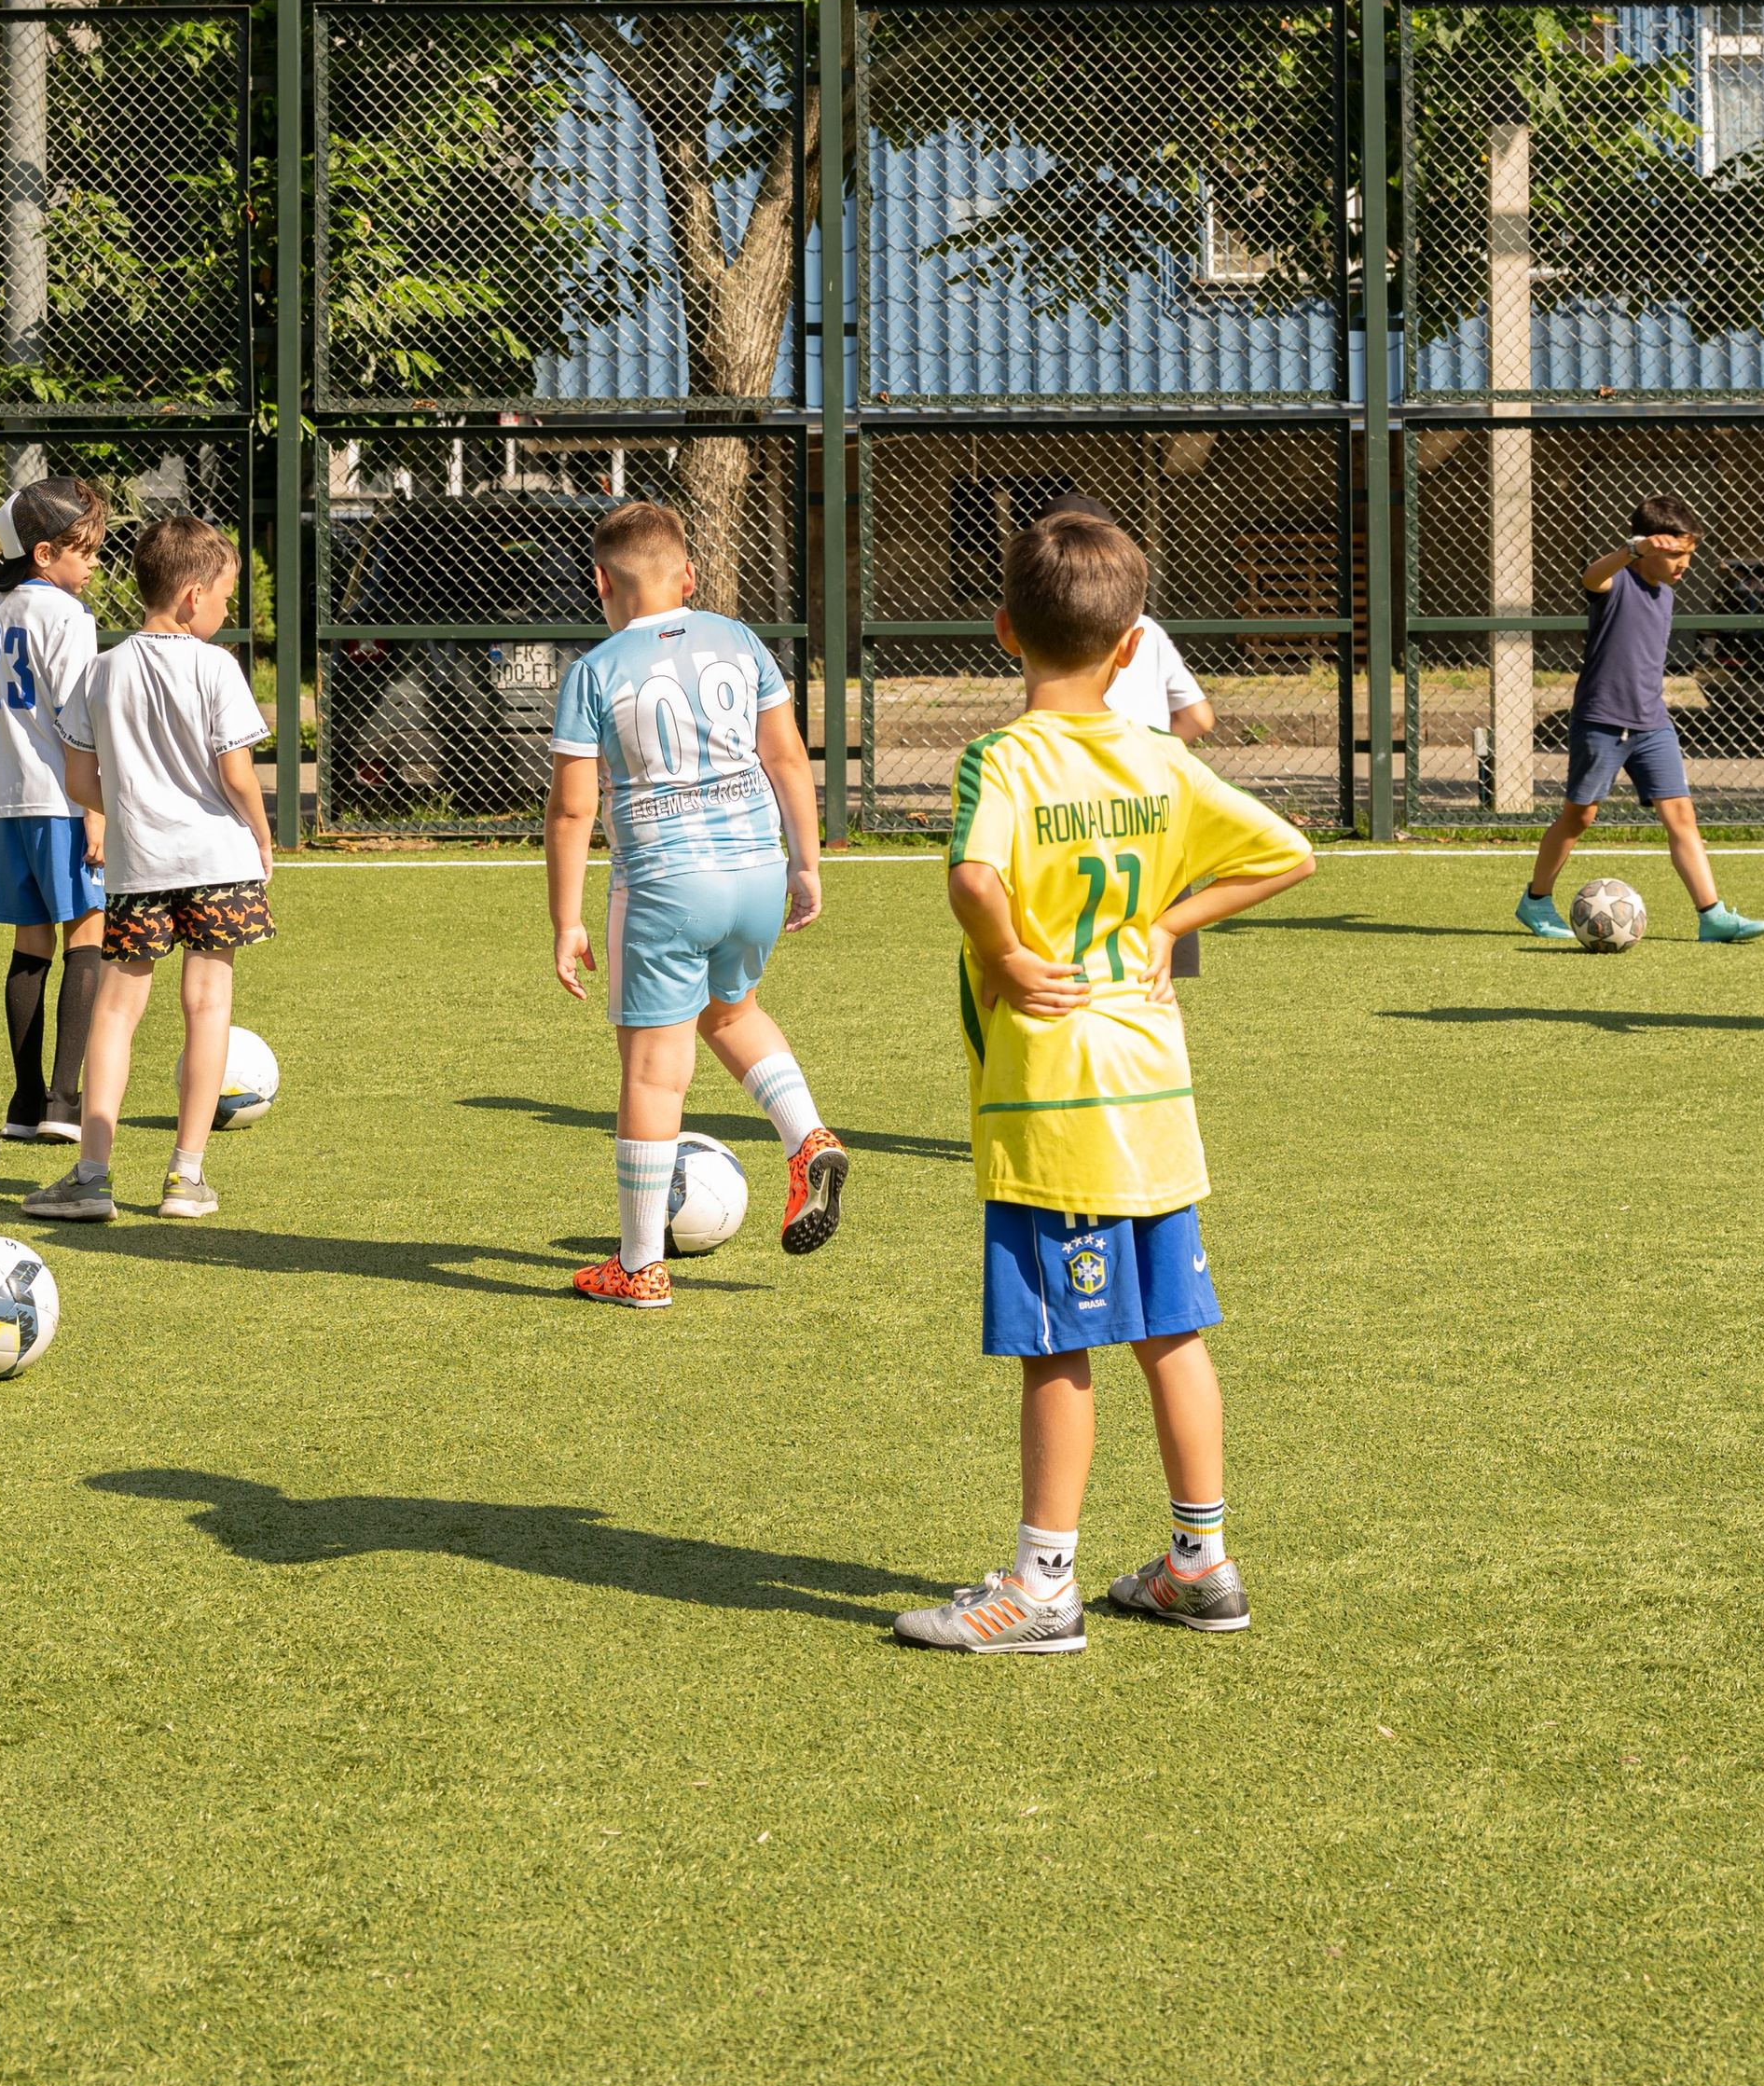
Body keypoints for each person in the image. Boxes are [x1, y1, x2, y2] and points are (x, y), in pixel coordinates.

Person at [894, 506, 1314, 1657]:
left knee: (1055, 1345)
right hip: (1152, 1091)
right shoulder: (1160, 757)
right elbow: (1289, 852)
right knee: (1173, 1331)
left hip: (1053, 1101)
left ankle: (1042, 1589)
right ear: (1132, 646)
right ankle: (1199, 1563)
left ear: (1003, 631)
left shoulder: (1003, 758)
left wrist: (1002, 953)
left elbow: (973, 876)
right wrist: (1169, 922)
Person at [546, 499, 845, 1312]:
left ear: (600, 582)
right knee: (731, 1010)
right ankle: (807, 1136)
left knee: (653, 1071)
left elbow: (572, 810)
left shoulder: (594, 671)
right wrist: (806, 862)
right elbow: (787, 756)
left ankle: (640, 1265)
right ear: (689, 577)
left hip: (666, 884)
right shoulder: (741, 639)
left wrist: (567, 920)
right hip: (755, 869)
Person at [22, 513, 275, 1226]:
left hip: (140, 868)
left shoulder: (102, 670)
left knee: (116, 1010)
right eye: (225, 596)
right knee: (208, 1006)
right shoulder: (217, 667)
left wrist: (132, 808)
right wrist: (262, 836)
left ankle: (92, 1177)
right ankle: (185, 1178)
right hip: (220, 861)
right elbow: (237, 774)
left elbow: (79, 780)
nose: (225, 610)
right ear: (194, 596)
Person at [1515, 495, 1764, 945]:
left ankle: (1712, 916)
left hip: (1653, 725)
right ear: (1647, 547)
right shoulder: (1616, 583)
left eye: (1688, 554)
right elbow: (1590, 577)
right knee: (1579, 817)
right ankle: (1536, 901)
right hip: (1601, 722)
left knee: (1682, 817)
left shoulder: (1666, 594)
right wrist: (1631, 550)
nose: (1684, 564)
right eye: (1675, 554)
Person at [0, 476, 109, 1143]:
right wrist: (98, 809)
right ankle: (63, 1101)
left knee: (31, 944)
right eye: (85, 550)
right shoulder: (66, 615)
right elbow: (79, 718)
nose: (95, 563)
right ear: (44, 553)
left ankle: (25, 1104)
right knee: (88, 932)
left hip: (8, 804)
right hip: (62, 801)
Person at [1041, 490, 1217, 974]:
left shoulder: (1042, 627)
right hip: (1150, 797)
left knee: (1073, 956)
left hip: (1073, 792)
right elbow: (1199, 718)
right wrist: (1148, 750)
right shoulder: (1146, 629)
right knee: (1158, 972)